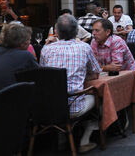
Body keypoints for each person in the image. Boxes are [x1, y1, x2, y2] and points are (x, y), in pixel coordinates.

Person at [41, 14, 101, 152]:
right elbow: (96, 73)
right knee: (99, 96)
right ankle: (84, 140)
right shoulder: (84, 47)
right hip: (74, 107)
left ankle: (63, 137)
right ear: (76, 31)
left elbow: (44, 75)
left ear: (57, 32)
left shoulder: (46, 49)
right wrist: (80, 76)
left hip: (49, 107)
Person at [0, 22, 38, 94]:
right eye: (29, 40)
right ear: (22, 43)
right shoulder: (25, 55)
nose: (30, 42)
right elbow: (40, 76)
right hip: (10, 97)